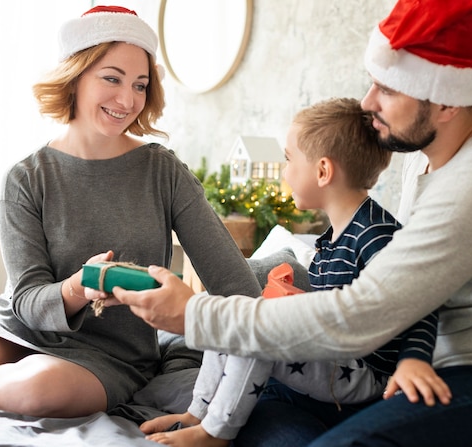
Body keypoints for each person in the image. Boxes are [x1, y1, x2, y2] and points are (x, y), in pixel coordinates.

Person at [108, 0, 472, 445]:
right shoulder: (430, 160)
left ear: (447, 103)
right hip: (442, 366)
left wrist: (193, 314)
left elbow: (361, 317)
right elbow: (416, 290)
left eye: (388, 90)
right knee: (264, 403)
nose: (368, 102)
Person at [0, 5, 262, 418]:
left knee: (35, 390)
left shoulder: (162, 172)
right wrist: (78, 287)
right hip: (19, 325)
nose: (127, 99)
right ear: (75, 76)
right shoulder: (26, 177)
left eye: (140, 84)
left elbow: (235, 284)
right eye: (112, 78)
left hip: (113, 352)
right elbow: (25, 298)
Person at [141, 98, 449, 446]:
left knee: (257, 330)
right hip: (336, 357)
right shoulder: (332, 240)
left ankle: (216, 434)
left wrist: (414, 359)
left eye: (289, 160)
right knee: (235, 312)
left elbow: (419, 300)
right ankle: (198, 414)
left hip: (365, 375)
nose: (285, 171)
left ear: (322, 171)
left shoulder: (376, 235)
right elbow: (331, 306)